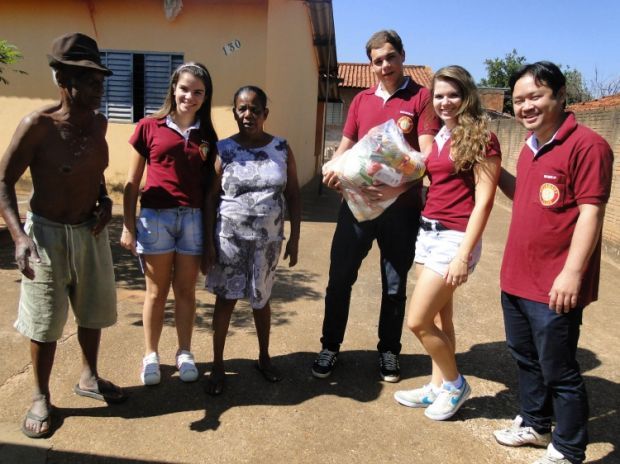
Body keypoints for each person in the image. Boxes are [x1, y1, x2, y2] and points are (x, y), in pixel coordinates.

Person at [0, 32, 126, 439]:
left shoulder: (100, 124)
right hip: (47, 236)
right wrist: (20, 237)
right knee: (45, 322)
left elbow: (95, 174)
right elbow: (2, 182)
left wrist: (105, 201)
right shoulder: (37, 125)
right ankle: (40, 395)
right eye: (90, 80)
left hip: (89, 233)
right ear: (64, 81)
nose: (99, 88)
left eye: (101, 80)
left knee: (93, 312)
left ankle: (89, 377)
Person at [494, 62, 613, 464]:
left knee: (559, 370)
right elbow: (523, 194)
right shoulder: (529, 147)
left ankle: (568, 447)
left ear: (561, 96)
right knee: (525, 357)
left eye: (535, 96)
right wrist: (490, 171)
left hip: (554, 283)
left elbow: (591, 213)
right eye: (519, 100)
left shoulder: (589, 146)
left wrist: (572, 273)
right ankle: (535, 423)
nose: (526, 106)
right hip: (517, 277)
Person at [312, 30, 440, 382]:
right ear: (371, 65)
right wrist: (333, 169)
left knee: (394, 284)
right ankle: (330, 346)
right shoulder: (361, 101)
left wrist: (393, 179)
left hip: (401, 209)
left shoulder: (421, 98)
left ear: (402, 55)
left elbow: (425, 155)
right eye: (377, 61)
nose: (384, 66)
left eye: (390, 57)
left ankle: (388, 351)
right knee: (339, 279)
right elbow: (346, 146)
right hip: (356, 206)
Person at [392, 65, 501, 420]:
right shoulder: (440, 136)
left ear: (467, 96)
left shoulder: (482, 138)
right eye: (439, 95)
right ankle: (437, 386)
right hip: (428, 232)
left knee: (418, 321)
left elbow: (484, 201)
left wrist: (463, 255)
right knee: (442, 317)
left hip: (454, 239)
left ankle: (455, 384)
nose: (445, 102)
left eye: (452, 94)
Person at [120, 62, 218, 386]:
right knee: (156, 292)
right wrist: (128, 226)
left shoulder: (207, 135)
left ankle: (185, 352)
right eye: (185, 88)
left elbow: (209, 189)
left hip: (191, 220)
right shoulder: (149, 126)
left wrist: (210, 233)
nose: (189, 96)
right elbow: (132, 183)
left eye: (198, 92)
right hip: (155, 219)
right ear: (174, 88)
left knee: (187, 291)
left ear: (205, 97)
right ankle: (151, 355)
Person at [204, 85, 300, 395]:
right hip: (230, 240)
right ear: (234, 113)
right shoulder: (224, 149)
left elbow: (294, 195)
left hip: (268, 241)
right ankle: (217, 366)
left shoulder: (282, 148)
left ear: (265, 114)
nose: (248, 115)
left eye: (254, 109)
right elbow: (209, 198)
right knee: (226, 300)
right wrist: (207, 243)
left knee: (262, 300)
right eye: (242, 109)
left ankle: (264, 357)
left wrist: (295, 237)